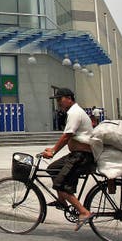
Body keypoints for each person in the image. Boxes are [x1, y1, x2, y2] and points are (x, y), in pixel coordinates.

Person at [42, 88, 95, 231]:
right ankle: (62, 201)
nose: (58, 103)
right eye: (57, 100)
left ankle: (84, 212)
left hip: (81, 157)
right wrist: (52, 150)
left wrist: (53, 151)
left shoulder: (74, 112)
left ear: (69, 98)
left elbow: (66, 136)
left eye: (60, 99)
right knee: (52, 168)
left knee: (60, 184)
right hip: (76, 155)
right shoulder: (73, 112)